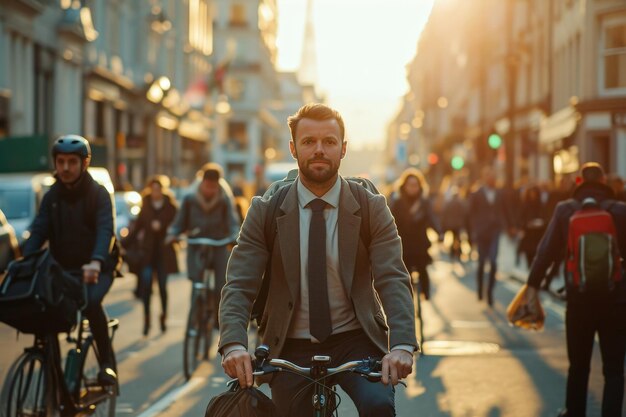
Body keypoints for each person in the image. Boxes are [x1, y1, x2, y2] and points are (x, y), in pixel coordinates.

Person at [218, 103, 417, 417]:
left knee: (378, 405)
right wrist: (233, 344)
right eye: (309, 142)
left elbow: (392, 277)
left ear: (343, 149)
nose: (319, 150)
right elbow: (240, 283)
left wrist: (403, 345)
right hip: (289, 343)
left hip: (356, 339)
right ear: (294, 149)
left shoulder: (371, 207)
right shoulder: (265, 210)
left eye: (329, 141)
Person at [525, 162, 626, 417]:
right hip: (615, 301)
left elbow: (546, 251)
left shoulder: (565, 210)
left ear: (579, 182)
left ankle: (574, 412)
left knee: (578, 366)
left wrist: (532, 286)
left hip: (579, 301)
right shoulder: (620, 211)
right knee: (614, 369)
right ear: (604, 182)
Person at [22, 135, 120, 385]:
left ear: (84, 163)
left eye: (71, 162)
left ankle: (106, 365)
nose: (65, 168)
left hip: (98, 267)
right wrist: (25, 261)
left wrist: (97, 261)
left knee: (90, 303)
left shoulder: (98, 194)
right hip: (62, 269)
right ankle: (54, 379)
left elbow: (105, 230)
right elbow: (39, 230)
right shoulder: (52, 196)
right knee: (47, 310)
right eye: (61, 161)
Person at [166, 163, 240, 324]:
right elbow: (179, 221)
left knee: (221, 283)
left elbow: (232, 221)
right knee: (196, 281)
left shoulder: (224, 198)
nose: (210, 190)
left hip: (218, 243)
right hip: (196, 242)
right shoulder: (190, 197)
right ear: (202, 182)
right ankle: (194, 319)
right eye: (207, 186)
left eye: (214, 186)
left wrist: (235, 236)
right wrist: (172, 234)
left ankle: (217, 318)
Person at [124, 175, 178, 336]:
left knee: (162, 287)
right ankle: (147, 319)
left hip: (164, 254)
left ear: (162, 190)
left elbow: (176, 225)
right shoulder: (145, 205)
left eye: (158, 189)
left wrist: (162, 226)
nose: (155, 192)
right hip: (147, 254)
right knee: (146, 286)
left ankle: (163, 316)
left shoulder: (171, 207)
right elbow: (137, 228)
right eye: (153, 189)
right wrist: (122, 244)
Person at [389, 167, 443, 300]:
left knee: (423, 268)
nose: (413, 188)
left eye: (415, 185)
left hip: (420, 243)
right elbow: (390, 222)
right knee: (404, 275)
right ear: (404, 186)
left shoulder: (424, 203)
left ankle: (426, 293)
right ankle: (406, 299)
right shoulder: (397, 203)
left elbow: (432, 218)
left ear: (420, 186)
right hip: (404, 244)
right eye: (410, 185)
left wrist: (439, 233)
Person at [468, 166, 513, 306]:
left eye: (493, 176)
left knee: (493, 262)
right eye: (489, 176)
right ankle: (480, 289)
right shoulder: (477, 194)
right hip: (481, 232)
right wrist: (472, 232)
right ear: (484, 177)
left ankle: (490, 292)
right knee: (481, 262)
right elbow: (470, 214)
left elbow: (506, 211)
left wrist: (511, 226)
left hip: (495, 231)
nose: (491, 178)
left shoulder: (500, 193)